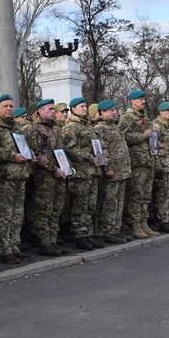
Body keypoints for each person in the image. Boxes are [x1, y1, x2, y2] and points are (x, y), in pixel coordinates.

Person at [0, 94, 33, 263]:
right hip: (4, 178)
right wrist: (13, 156)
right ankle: (4, 249)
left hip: (19, 176)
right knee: (4, 215)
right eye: (5, 106)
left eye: (11, 106)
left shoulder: (17, 128)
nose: (9, 109)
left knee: (17, 214)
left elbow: (24, 146)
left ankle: (14, 246)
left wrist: (29, 154)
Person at [25, 99, 70, 255]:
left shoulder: (56, 130)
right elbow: (36, 154)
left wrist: (68, 167)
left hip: (59, 174)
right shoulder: (34, 130)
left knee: (56, 209)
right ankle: (44, 242)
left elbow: (62, 152)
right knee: (44, 209)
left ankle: (53, 240)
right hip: (44, 176)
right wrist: (54, 169)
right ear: (39, 112)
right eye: (49, 109)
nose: (53, 112)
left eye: (53, 109)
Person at [62, 97, 102, 250]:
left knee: (90, 206)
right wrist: (89, 157)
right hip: (81, 172)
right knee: (80, 206)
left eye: (86, 106)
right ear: (73, 109)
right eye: (81, 106)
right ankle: (80, 236)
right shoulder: (71, 127)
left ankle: (88, 234)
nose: (85, 109)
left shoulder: (87, 126)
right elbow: (69, 149)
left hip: (92, 171)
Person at [118, 89, 158, 239]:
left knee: (146, 195)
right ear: (132, 101)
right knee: (137, 194)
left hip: (148, 160)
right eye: (140, 99)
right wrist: (143, 135)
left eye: (144, 99)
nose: (144, 101)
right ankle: (135, 225)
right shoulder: (127, 117)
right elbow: (123, 137)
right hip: (137, 162)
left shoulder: (145, 117)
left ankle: (144, 222)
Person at [93, 100, 132, 245]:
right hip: (112, 171)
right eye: (111, 110)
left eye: (115, 110)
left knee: (119, 201)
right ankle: (109, 231)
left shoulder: (115, 127)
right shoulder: (100, 128)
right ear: (102, 112)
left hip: (122, 171)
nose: (114, 112)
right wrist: (107, 167)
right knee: (110, 202)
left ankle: (115, 229)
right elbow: (101, 150)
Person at [151, 102, 169, 233]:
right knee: (164, 194)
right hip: (165, 165)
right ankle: (163, 220)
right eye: (167, 110)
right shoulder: (157, 126)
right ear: (161, 112)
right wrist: (159, 167)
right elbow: (155, 147)